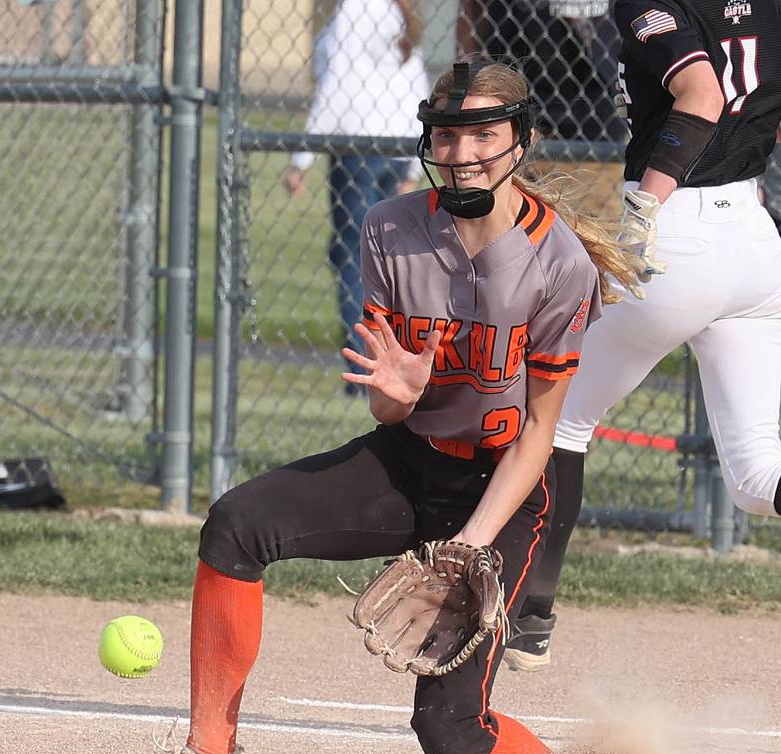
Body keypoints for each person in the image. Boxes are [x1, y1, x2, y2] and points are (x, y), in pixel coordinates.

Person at [90, 60, 639, 754]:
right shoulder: (390, 227)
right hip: (410, 460)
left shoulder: (559, 263)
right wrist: (398, 397)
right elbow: (389, 411)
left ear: (523, 140)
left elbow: (542, 432)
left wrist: (470, 544)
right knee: (237, 525)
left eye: (484, 132)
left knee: (452, 734)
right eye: (446, 134)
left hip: (502, 493)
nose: (462, 151)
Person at [509, 0, 781, 673]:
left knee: (559, 415)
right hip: (754, 236)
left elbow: (702, 93)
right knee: (756, 478)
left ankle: (529, 612)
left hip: (678, 231)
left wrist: (645, 206)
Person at [284, 0, 430, 392]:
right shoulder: (402, 10)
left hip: (358, 148)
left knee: (352, 256)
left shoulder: (357, 9)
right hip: (397, 147)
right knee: (389, 261)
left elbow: (336, 87)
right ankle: (391, 360)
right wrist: (414, 166)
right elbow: (417, 86)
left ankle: (365, 372)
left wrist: (302, 159)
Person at [456, 0, 625, 141]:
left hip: (599, 82)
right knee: (516, 171)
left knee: (597, 170)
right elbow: (470, 7)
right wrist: (466, 79)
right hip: (518, 76)